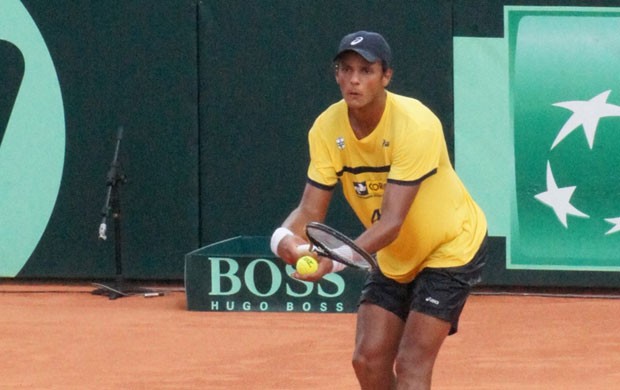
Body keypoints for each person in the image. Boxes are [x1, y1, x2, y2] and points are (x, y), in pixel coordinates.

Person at [270, 30, 488, 390]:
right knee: (368, 361)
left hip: (451, 247)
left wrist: (333, 259)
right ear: (336, 73)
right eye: (346, 69)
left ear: (386, 76)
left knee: (411, 362)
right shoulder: (326, 128)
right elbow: (309, 209)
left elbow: (392, 222)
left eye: (367, 70)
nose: (354, 80)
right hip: (393, 254)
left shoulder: (416, 124)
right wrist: (284, 240)